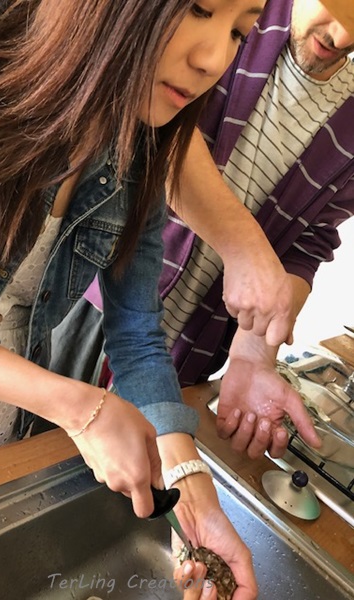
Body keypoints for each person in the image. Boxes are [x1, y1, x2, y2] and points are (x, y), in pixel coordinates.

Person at [0, 0, 268, 597]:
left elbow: (138, 334)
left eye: (238, 32)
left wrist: (191, 486)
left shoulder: (136, 140)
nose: (213, 60)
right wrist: (79, 408)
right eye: (199, 9)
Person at [49, 0, 354, 465]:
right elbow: (153, 133)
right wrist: (246, 248)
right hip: (97, 296)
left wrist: (254, 351)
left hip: (196, 341)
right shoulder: (230, 17)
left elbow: (309, 244)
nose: (343, 37)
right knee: (39, 454)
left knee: (148, 469)